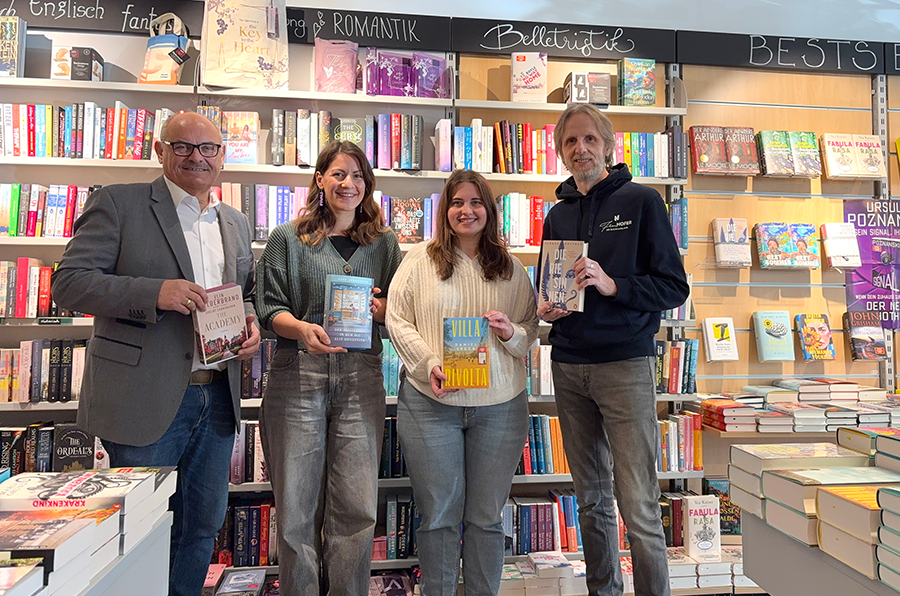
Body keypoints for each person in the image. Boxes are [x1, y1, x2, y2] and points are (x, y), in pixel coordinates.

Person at [51, 111, 260, 596]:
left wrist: (249, 326)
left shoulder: (234, 220)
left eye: (208, 148)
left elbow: (242, 293)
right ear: (160, 151)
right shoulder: (119, 203)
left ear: (223, 157)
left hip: (217, 400)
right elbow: (70, 283)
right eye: (182, 146)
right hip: (145, 399)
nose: (196, 157)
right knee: (142, 531)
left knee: (200, 530)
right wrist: (155, 292)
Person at [536, 104, 690, 596]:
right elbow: (554, 284)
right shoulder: (557, 214)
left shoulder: (642, 202)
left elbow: (673, 287)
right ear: (560, 151)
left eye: (588, 140)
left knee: (639, 501)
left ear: (608, 144)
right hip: (568, 363)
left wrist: (613, 284)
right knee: (591, 498)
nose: (580, 149)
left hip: (625, 363)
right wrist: (547, 307)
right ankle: (603, 590)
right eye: (569, 142)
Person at [255, 141, 402, 596]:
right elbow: (268, 309)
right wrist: (300, 329)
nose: (348, 184)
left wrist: (380, 311)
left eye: (358, 176)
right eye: (338, 174)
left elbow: (399, 311)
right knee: (297, 508)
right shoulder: (288, 237)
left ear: (368, 185)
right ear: (320, 179)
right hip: (298, 374)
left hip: (361, 378)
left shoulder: (384, 243)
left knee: (356, 508)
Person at [386, 169, 539, 595]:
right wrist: (429, 362)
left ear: (488, 211)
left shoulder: (511, 267)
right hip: (430, 405)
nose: (466, 211)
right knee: (437, 517)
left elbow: (531, 328)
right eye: (456, 202)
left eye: (475, 202)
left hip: (501, 406)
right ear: (444, 210)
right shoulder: (418, 259)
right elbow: (397, 320)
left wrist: (512, 334)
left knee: (487, 518)